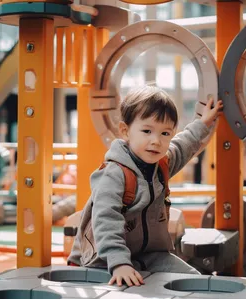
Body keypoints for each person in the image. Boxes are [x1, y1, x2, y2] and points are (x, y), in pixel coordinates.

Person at [68, 85, 223, 286]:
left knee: (193, 281)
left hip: (149, 255)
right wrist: (119, 263)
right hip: (102, 259)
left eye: (165, 133)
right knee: (120, 291)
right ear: (125, 131)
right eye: (147, 131)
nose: (156, 141)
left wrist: (203, 123)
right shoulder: (115, 174)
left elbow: (184, 144)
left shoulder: (161, 165)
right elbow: (105, 218)